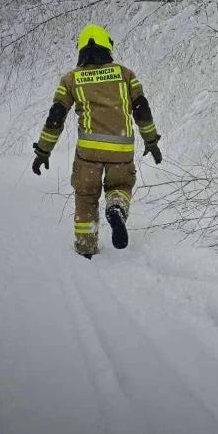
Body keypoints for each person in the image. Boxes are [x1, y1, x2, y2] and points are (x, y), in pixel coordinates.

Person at [31, 24, 163, 259]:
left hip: (89, 153)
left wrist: (43, 150)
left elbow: (56, 117)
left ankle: (85, 247)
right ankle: (117, 208)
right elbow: (142, 110)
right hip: (120, 150)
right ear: (107, 46)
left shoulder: (71, 79)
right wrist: (151, 141)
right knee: (120, 187)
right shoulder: (125, 74)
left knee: (86, 195)